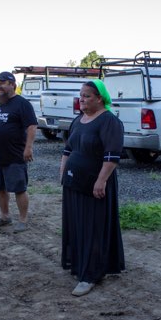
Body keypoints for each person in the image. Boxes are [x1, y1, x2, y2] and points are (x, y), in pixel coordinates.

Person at [59, 80, 125, 297]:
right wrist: (63, 174)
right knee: (77, 225)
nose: (82, 99)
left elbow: (112, 156)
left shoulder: (109, 122)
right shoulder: (78, 120)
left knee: (93, 228)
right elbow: (68, 150)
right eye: (81, 95)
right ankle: (80, 265)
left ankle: (90, 275)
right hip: (73, 182)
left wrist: (101, 180)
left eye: (87, 96)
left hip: (94, 185)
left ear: (100, 98)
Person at [0, 71, 37, 233]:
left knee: (19, 188)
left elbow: (32, 126)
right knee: (0, 187)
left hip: (15, 154)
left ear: (13, 85)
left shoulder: (22, 104)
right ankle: (5, 216)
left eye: (3, 83)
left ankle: (23, 220)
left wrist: (28, 148)